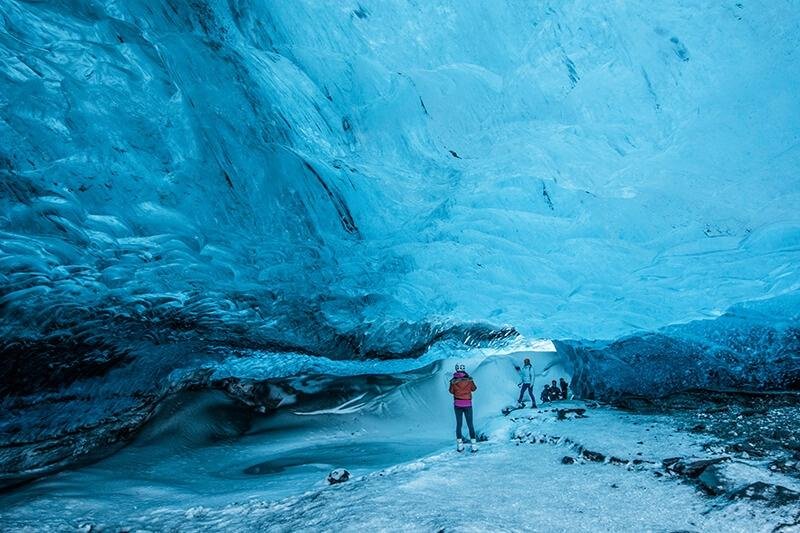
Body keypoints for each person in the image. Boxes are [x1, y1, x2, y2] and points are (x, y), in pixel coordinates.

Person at [449, 363, 478, 452]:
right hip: (468, 404)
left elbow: (451, 391)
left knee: (459, 425)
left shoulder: (453, 381)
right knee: (470, 425)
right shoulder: (469, 380)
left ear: (456, 369)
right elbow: (474, 388)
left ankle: (460, 446)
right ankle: (474, 446)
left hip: (457, 404)